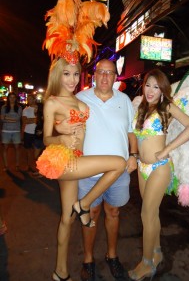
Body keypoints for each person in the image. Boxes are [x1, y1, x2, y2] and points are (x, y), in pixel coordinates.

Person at [36, 57, 126, 281]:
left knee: (66, 218)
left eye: (76, 74)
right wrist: (61, 134)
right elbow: (46, 138)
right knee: (118, 163)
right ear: (58, 75)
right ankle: (84, 205)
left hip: (78, 159)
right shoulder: (53, 102)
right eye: (66, 74)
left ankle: (60, 271)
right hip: (64, 161)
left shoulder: (83, 103)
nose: (72, 79)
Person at [55, 58, 138, 281]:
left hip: (118, 173)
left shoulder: (124, 100)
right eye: (100, 72)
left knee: (114, 212)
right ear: (94, 75)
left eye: (109, 73)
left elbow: (131, 132)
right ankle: (88, 259)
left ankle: (112, 256)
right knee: (90, 214)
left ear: (115, 77)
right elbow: (62, 125)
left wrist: (133, 155)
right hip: (89, 172)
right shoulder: (80, 98)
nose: (104, 76)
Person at [128, 69, 189, 280]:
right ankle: (157, 253)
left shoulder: (166, 106)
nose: (150, 90)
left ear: (162, 90)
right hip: (142, 168)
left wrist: (166, 150)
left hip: (159, 167)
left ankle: (147, 263)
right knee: (153, 214)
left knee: (146, 214)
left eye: (156, 87)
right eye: (148, 85)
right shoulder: (140, 107)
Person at [1, 92, 22, 171]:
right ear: (8, 98)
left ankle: (17, 165)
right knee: (5, 148)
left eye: (14, 97)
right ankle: (6, 166)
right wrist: (10, 119)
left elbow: (17, 119)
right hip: (5, 131)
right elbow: (2, 119)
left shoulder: (19, 108)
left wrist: (6, 118)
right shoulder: (4, 107)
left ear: (16, 99)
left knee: (17, 148)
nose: (12, 99)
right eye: (10, 97)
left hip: (16, 131)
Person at [22, 94, 38, 171]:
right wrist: (35, 120)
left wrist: (32, 120)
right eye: (28, 99)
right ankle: (29, 165)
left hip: (38, 132)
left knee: (37, 150)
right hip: (28, 132)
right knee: (28, 150)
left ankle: (36, 165)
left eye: (31, 99)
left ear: (34, 100)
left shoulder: (40, 109)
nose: (29, 100)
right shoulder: (25, 109)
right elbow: (25, 121)